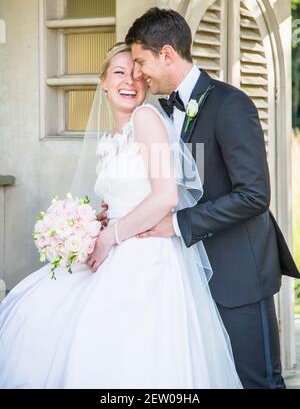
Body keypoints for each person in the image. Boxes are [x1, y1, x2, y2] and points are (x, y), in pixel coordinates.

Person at [0, 43, 242, 389]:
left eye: (136, 74)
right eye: (119, 73)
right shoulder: (112, 138)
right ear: (103, 82)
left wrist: (110, 236)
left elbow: (166, 196)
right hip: (115, 245)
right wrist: (96, 222)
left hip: (146, 256)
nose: (129, 81)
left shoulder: (146, 119)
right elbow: (125, 195)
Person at [122, 7, 300, 389]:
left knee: (258, 382)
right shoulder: (158, 113)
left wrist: (179, 224)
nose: (137, 74)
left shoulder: (230, 104)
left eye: (140, 62)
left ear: (167, 54)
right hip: (186, 277)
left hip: (238, 275)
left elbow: (254, 195)